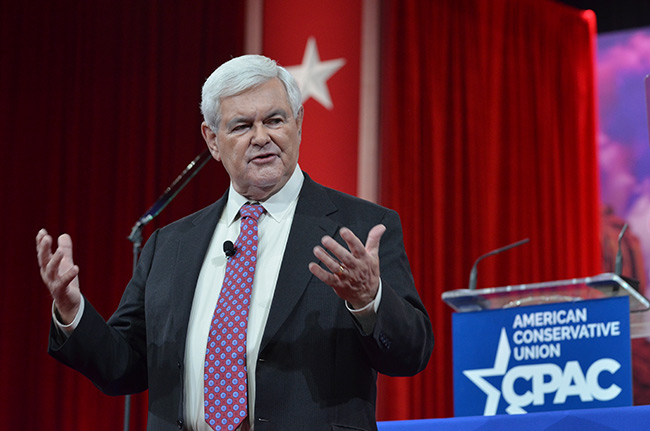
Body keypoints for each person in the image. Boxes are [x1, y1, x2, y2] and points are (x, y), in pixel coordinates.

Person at [36, 54, 434, 431]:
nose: (262, 137)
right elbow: (122, 367)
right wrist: (73, 313)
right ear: (212, 140)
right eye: (242, 126)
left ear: (298, 123)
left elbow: (409, 355)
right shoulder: (169, 246)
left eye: (275, 120)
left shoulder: (360, 227)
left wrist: (369, 300)